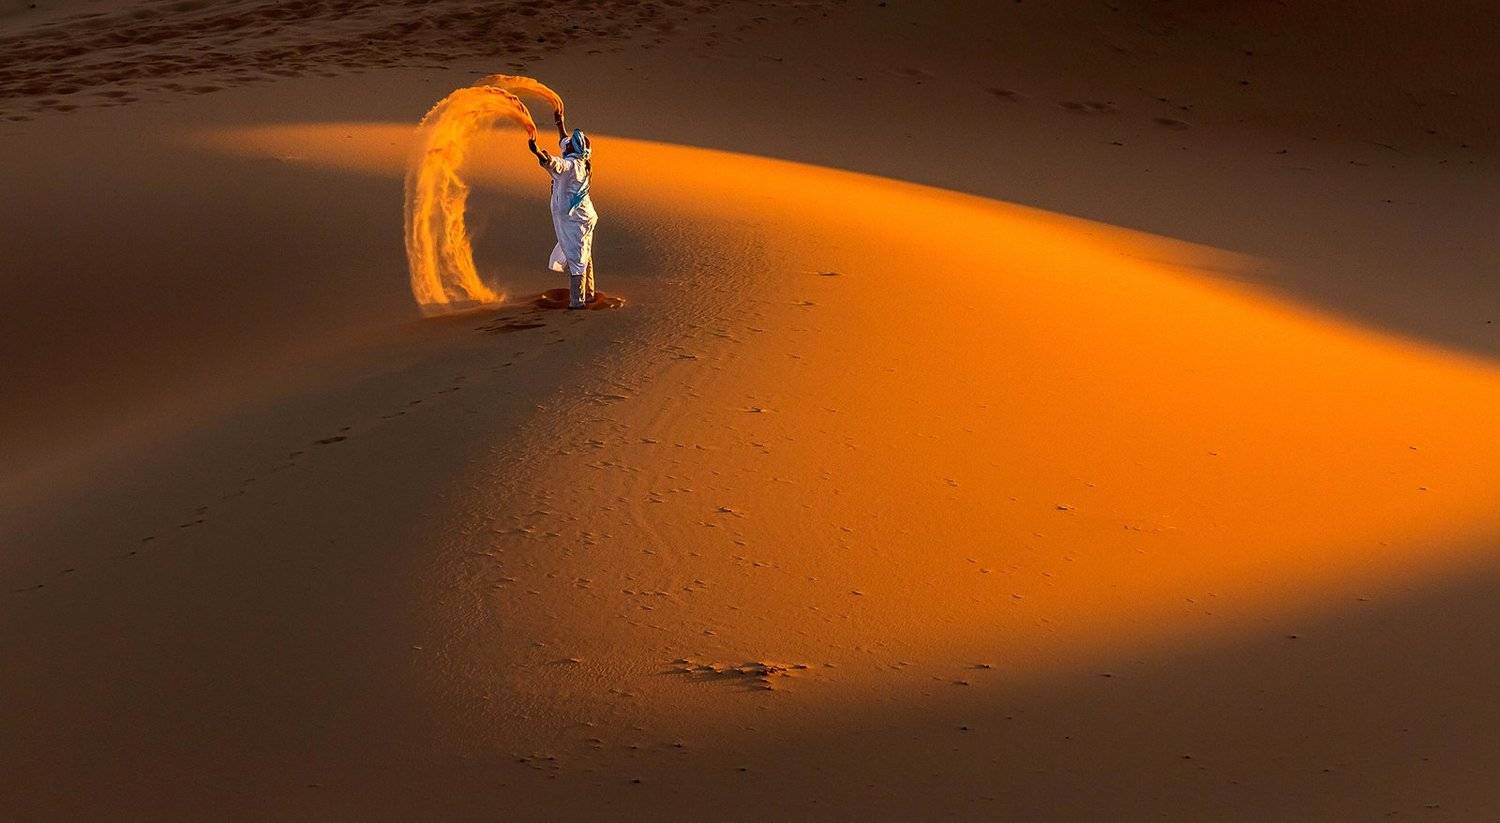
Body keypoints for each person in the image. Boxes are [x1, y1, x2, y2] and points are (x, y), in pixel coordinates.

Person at [528, 109, 598, 309]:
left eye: (567, 147)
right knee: (584, 254)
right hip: (581, 217)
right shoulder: (582, 158)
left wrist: (536, 150)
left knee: (577, 260)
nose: (564, 147)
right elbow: (565, 141)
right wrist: (560, 124)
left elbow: (552, 162)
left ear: (572, 151)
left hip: (576, 220)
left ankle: (578, 303)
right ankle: (590, 294)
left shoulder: (571, 166)